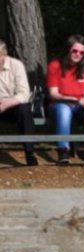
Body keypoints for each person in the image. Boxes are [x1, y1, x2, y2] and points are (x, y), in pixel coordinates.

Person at [47, 34, 84, 164]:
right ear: (68, 49)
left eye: (81, 52)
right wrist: (68, 98)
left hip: (80, 104)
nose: (78, 54)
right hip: (60, 103)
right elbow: (53, 93)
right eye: (75, 50)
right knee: (64, 111)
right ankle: (63, 150)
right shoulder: (55, 65)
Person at [0, 38, 38, 166]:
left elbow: (24, 93)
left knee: (25, 111)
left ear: (4, 55)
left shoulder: (16, 65)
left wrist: (7, 103)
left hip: (12, 105)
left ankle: (30, 153)